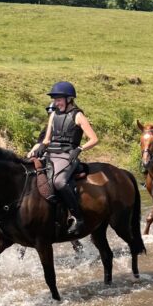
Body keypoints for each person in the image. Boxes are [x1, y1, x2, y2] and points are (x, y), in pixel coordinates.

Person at [36, 81, 98, 236]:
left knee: (59, 182)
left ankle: (78, 218)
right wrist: (41, 147)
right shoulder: (53, 115)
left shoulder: (78, 115)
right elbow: (47, 139)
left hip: (67, 156)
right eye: (55, 100)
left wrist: (79, 149)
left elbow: (94, 139)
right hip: (51, 153)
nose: (56, 103)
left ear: (69, 99)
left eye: (59, 99)